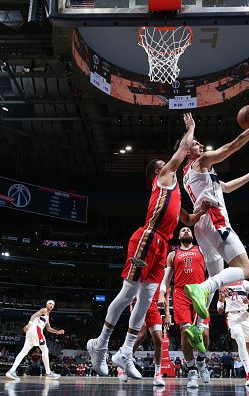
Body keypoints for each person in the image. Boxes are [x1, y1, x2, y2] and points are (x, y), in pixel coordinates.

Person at [87, 113, 207, 379]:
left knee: (146, 300)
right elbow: (182, 150)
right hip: (147, 238)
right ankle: (100, 343)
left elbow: (186, 218)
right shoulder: (164, 176)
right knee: (128, 294)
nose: (170, 163)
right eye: (166, 163)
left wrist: (203, 211)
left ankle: (125, 352)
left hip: (163, 244)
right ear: (157, 170)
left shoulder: (176, 189)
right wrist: (192, 128)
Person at [180, 106, 249, 339]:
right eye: (196, 143)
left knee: (215, 277)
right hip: (215, 221)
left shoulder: (190, 174)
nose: (201, 146)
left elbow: (226, 187)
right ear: (189, 151)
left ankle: (197, 327)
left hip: (201, 227)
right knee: (245, 270)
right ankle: (201, 289)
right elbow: (232, 146)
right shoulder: (202, 162)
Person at [159, 227, 211, 388]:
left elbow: (213, 271)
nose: (186, 231)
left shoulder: (202, 249)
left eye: (188, 230)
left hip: (200, 292)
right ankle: (192, 370)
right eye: (183, 230)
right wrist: (162, 293)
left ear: (193, 235)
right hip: (181, 294)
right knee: (185, 331)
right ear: (178, 236)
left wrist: (218, 287)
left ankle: (201, 360)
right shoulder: (173, 255)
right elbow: (166, 279)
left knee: (204, 332)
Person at [117, 287, 170, 386]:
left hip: (153, 307)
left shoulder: (166, 274)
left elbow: (166, 295)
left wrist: (167, 314)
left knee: (159, 339)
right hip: (139, 303)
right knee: (141, 334)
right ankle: (122, 364)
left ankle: (157, 374)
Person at [6, 300, 65, 380]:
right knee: (45, 350)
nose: (51, 305)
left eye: (53, 304)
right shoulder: (44, 310)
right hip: (36, 331)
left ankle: (11, 371)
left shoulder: (47, 316)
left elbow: (48, 328)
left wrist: (57, 331)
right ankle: (48, 373)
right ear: (47, 304)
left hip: (31, 333)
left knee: (24, 351)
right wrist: (28, 324)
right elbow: (34, 315)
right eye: (50, 303)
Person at [217, 280, 249, 387]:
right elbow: (220, 302)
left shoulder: (246, 283)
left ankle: (248, 362)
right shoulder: (224, 284)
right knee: (240, 341)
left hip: (245, 316)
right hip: (231, 316)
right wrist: (220, 307)